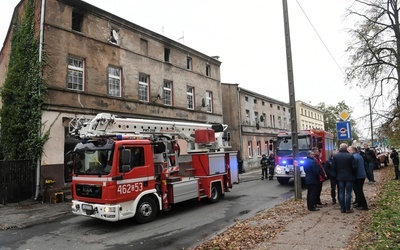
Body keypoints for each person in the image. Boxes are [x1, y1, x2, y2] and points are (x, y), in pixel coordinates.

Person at [332, 143, 356, 213]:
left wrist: (336, 175)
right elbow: (354, 167)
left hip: (340, 177)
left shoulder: (336, 156)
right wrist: (353, 174)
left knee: (341, 192)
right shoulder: (350, 156)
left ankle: (342, 208)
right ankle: (348, 208)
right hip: (349, 176)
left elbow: (333, 167)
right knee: (348, 192)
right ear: (346, 148)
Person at [349, 146, 369, 210]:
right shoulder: (359, 156)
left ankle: (364, 206)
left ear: (353, 150)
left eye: (349, 150)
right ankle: (360, 204)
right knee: (359, 191)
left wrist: (352, 175)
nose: (348, 152)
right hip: (362, 175)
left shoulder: (354, 157)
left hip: (358, 176)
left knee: (359, 191)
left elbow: (354, 167)